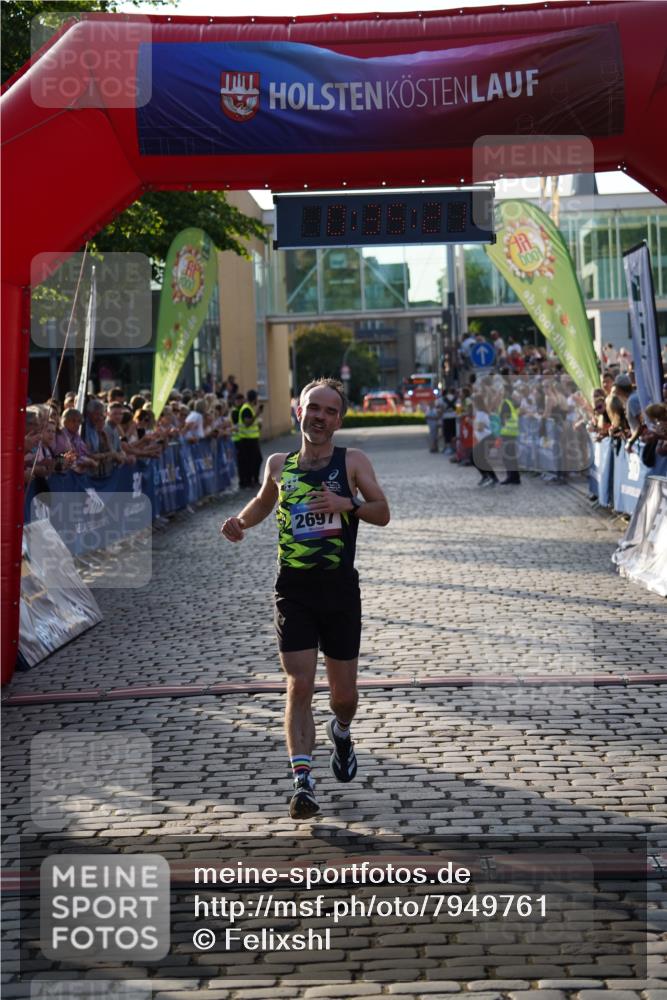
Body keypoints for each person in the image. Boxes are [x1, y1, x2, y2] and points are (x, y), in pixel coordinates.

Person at [220, 378, 390, 820]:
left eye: (329, 411)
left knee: (343, 694)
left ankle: (342, 729)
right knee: (298, 684)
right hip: (292, 588)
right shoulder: (279, 462)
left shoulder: (352, 461)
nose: (320, 417)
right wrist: (240, 521)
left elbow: (382, 512)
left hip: (338, 590)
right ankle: (303, 781)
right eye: (313, 408)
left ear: (339, 419)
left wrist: (345, 502)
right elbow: (262, 502)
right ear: (300, 411)